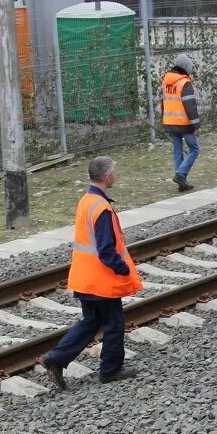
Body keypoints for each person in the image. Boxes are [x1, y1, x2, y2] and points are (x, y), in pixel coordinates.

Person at [42, 156, 143, 387]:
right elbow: (105, 249)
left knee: (91, 320)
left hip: (84, 277)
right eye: (113, 173)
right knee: (114, 323)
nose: (114, 176)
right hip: (101, 280)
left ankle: (55, 359)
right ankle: (110, 370)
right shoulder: (102, 208)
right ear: (107, 177)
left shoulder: (86, 201)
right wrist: (122, 268)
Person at [161, 53, 201, 192]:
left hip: (169, 121)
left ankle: (181, 182)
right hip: (184, 123)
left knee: (177, 151)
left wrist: (164, 120)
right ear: (186, 67)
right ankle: (180, 175)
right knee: (195, 149)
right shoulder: (184, 83)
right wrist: (196, 125)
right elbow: (190, 106)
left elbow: (164, 102)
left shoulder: (166, 81)